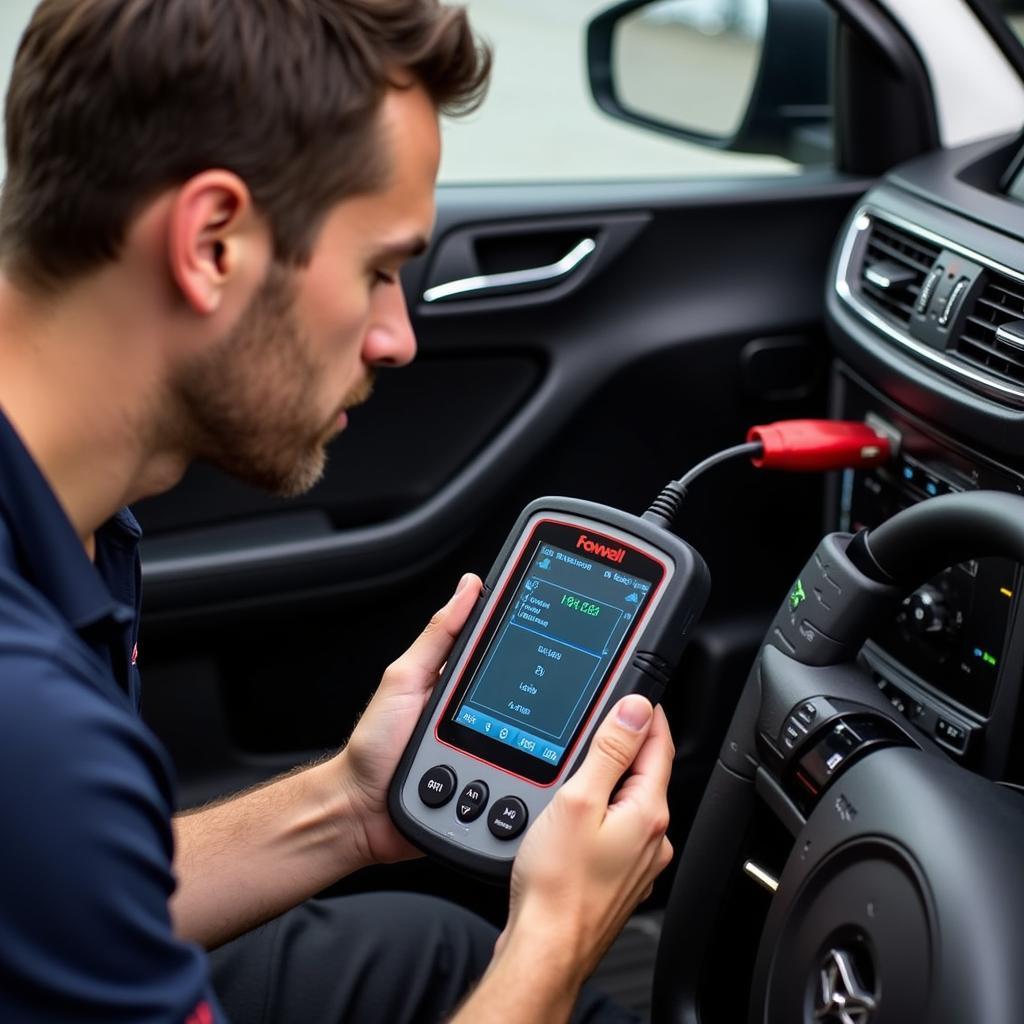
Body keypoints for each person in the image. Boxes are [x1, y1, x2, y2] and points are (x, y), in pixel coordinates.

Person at [0, 1, 677, 1021]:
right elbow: (53, 824)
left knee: (428, 952)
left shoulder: (78, 522)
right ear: (212, 243)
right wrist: (556, 940)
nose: (397, 338)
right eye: (377, 271)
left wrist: (352, 807)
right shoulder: (31, 729)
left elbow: (63, 893)